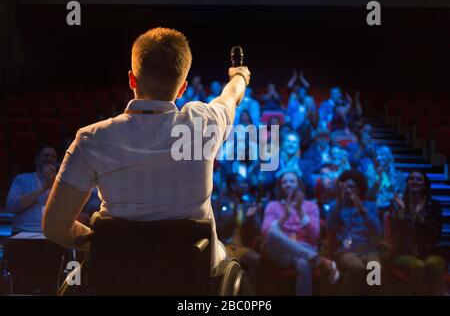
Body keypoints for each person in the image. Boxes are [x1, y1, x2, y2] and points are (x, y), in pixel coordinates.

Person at [42, 27, 251, 274]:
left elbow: (55, 227)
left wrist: (104, 242)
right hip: (194, 276)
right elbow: (230, 97)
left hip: (119, 277)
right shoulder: (202, 122)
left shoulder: (91, 139)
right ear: (183, 88)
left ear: (132, 79)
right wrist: (240, 76)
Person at [261, 171, 339, 296]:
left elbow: (315, 235)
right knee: (272, 232)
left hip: (304, 248)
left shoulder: (311, 206)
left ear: (299, 185)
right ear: (280, 186)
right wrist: (284, 217)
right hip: (281, 252)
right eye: (284, 182)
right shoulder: (272, 205)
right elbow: (265, 233)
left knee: (303, 264)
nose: (287, 184)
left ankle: (315, 259)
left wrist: (299, 211)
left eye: (292, 181)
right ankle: (319, 259)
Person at [325, 170, 382, 295]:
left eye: (351, 186)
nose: (347, 189)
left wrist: (362, 210)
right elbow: (329, 228)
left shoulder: (370, 206)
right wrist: (339, 203)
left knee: (375, 266)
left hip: (368, 249)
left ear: (359, 188)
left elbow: (378, 231)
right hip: (345, 250)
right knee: (357, 267)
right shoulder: (335, 205)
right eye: (344, 186)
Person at [389, 171, 446, 295]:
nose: (414, 181)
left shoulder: (434, 205)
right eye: (411, 179)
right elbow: (394, 234)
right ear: (407, 183)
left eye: (419, 179)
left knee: (433, 263)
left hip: (429, 251)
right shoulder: (397, 204)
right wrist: (402, 214)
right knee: (418, 265)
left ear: (425, 184)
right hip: (403, 252)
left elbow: (436, 235)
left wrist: (420, 219)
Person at [7, 147, 58, 234]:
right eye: (45, 155)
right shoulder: (22, 178)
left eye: (53, 157)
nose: (49, 158)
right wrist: (43, 189)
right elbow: (12, 206)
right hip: (23, 231)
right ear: (36, 160)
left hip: (51, 234)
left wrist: (55, 185)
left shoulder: (61, 183)